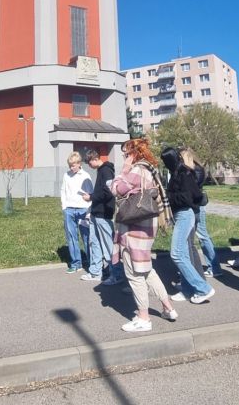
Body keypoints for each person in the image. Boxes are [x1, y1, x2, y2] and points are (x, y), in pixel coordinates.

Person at [111, 138, 177, 331]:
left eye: (126, 153)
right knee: (147, 270)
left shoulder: (136, 170)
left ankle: (143, 318)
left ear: (133, 153)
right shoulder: (150, 170)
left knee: (134, 274)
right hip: (147, 229)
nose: (124, 156)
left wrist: (124, 169)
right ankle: (168, 307)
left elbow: (116, 188)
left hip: (134, 231)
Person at [160, 147, 214, 304]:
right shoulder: (179, 172)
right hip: (182, 214)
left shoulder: (184, 173)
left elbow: (190, 196)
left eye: (166, 160)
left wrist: (167, 196)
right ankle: (188, 289)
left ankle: (203, 288)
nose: (165, 164)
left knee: (177, 254)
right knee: (182, 254)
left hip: (185, 214)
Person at [81, 150, 122, 284]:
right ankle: (96, 272)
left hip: (104, 213)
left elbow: (108, 192)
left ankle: (116, 274)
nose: (89, 166)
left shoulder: (106, 171)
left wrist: (91, 197)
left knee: (108, 245)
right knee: (95, 243)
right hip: (96, 212)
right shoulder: (101, 171)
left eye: (89, 163)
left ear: (94, 159)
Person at [60, 152, 92, 274]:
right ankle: (76, 263)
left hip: (83, 210)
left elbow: (90, 194)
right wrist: (64, 207)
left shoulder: (85, 176)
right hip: (69, 209)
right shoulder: (66, 175)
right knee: (71, 237)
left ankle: (92, 262)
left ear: (79, 164)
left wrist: (89, 211)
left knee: (86, 237)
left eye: (73, 165)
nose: (71, 168)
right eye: (70, 165)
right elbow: (63, 190)